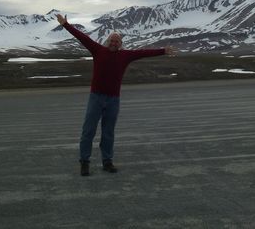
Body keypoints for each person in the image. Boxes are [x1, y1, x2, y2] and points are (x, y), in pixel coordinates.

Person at [57, 14, 174, 176]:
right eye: (111, 40)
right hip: (96, 97)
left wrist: (163, 51)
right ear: (108, 41)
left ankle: (107, 162)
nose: (113, 43)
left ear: (120, 44)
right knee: (88, 131)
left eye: (116, 41)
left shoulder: (125, 56)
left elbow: (144, 52)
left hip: (113, 100)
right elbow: (82, 37)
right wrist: (66, 24)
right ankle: (84, 162)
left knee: (108, 132)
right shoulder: (98, 50)